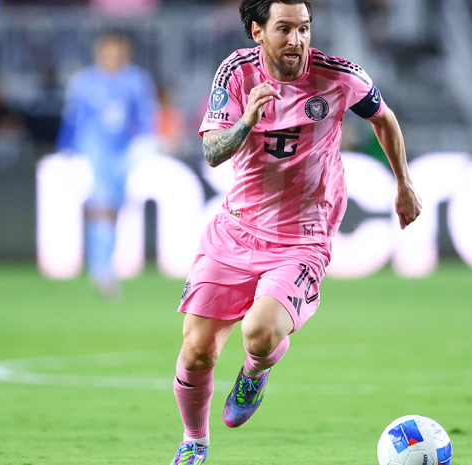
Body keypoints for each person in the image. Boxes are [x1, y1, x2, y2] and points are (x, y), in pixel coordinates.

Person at [169, 1, 422, 463]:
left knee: (259, 332)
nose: (297, 40)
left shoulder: (339, 76)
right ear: (257, 32)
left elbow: (383, 118)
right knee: (196, 352)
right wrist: (247, 120)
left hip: (303, 235)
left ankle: (254, 373)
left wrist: (403, 183)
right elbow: (212, 152)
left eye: (304, 28)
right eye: (284, 29)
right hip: (237, 229)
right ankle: (194, 441)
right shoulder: (235, 74)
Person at [56, 33, 158, 298]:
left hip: (124, 152)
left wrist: (146, 144)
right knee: (101, 207)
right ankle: (101, 269)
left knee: (114, 210)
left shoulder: (136, 81)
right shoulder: (84, 82)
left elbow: (145, 117)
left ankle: (105, 263)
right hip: (94, 151)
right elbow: (72, 119)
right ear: (98, 53)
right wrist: (66, 151)